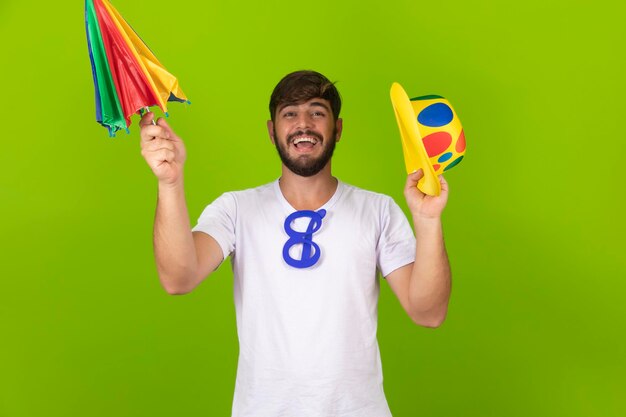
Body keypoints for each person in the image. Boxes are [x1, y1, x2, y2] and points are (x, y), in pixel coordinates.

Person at [139, 70, 451, 417]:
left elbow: (429, 312)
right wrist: (170, 182)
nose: (304, 123)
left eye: (317, 111)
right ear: (272, 132)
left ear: (338, 129)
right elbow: (178, 278)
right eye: (289, 113)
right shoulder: (236, 209)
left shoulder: (377, 210)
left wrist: (428, 221)